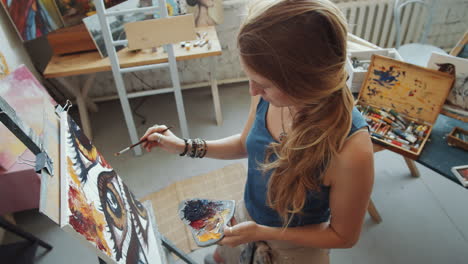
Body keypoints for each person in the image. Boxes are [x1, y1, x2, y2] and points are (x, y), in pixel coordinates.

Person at [141, 0, 374, 263]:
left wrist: (261, 232)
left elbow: (343, 236)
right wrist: (184, 146)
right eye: (250, 78)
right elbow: (246, 144)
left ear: (304, 83)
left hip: (295, 249)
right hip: (247, 220)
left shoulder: (352, 151)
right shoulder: (268, 95)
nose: (252, 91)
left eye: (263, 84)